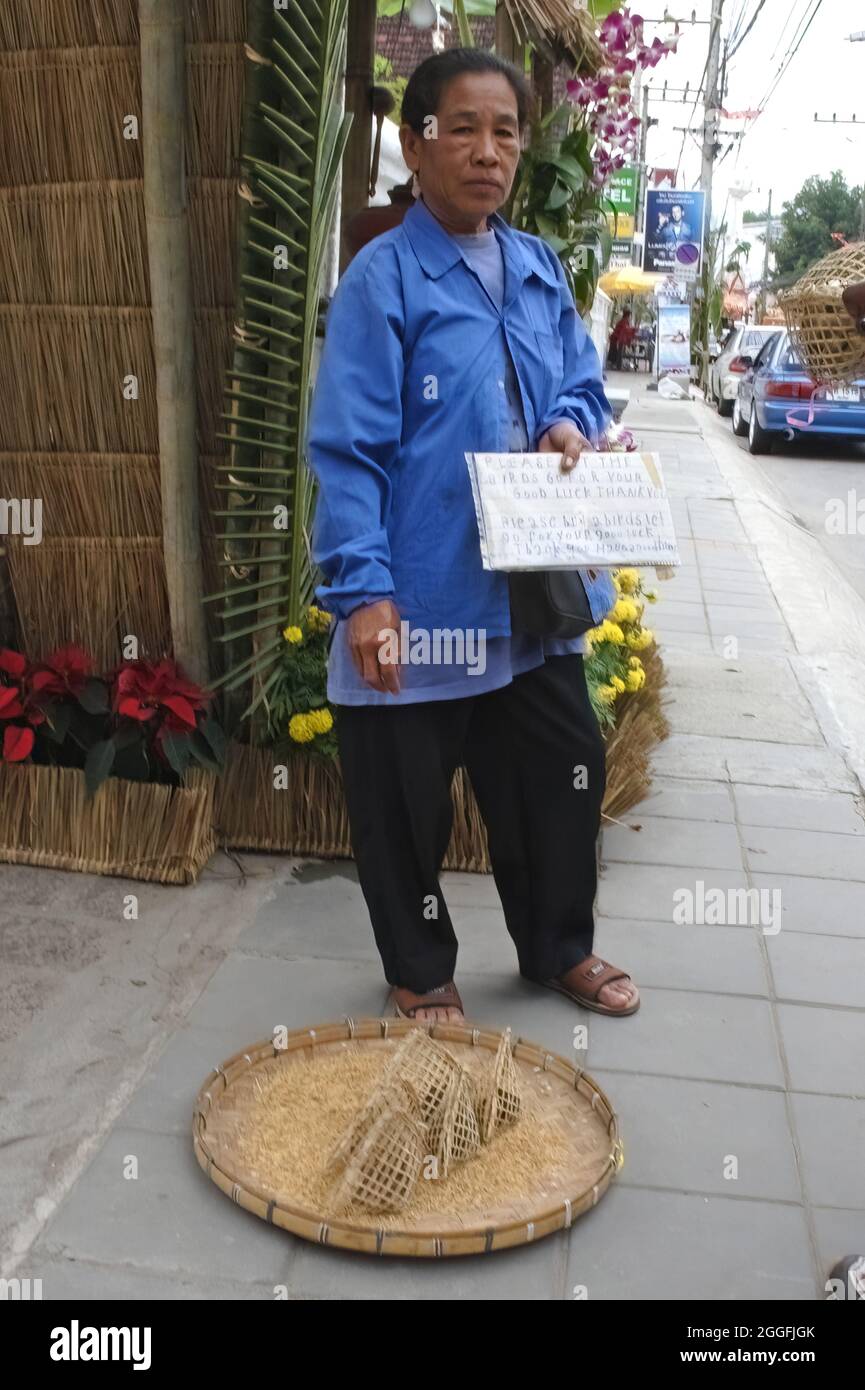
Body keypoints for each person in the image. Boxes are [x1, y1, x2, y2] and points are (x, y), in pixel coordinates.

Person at [307, 47, 640, 1024]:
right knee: (404, 805)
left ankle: (555, 948)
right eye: (462, 129)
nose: (486, 152)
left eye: (504, 132)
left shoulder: (537, 265)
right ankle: (418, 970)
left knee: (560, 776)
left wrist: (570, 420)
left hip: (528, 595)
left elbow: (580, 379)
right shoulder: (385, 280)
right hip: (422, 600)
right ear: (417, 146)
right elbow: (348, 448)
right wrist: (363, 594)